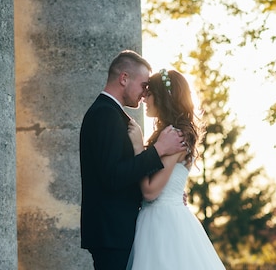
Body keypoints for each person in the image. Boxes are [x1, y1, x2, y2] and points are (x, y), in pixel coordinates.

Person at [79, 50, 186, 270]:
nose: (145, 93)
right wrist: (156, 151)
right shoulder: (105, 115)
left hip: (118, 232)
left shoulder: (114, 115)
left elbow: (121, 174)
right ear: (124, 78)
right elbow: (112, 177)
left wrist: (168, 191)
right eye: (144, 85)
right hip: (111, 233)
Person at [127, 69, 226, 269]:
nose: (144, 99)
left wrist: (138, 147)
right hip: (161, 216)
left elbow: (150, 191)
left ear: (163, 98)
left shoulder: (176, 136)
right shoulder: (169, 134)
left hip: (162, 221)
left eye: (150, 93)